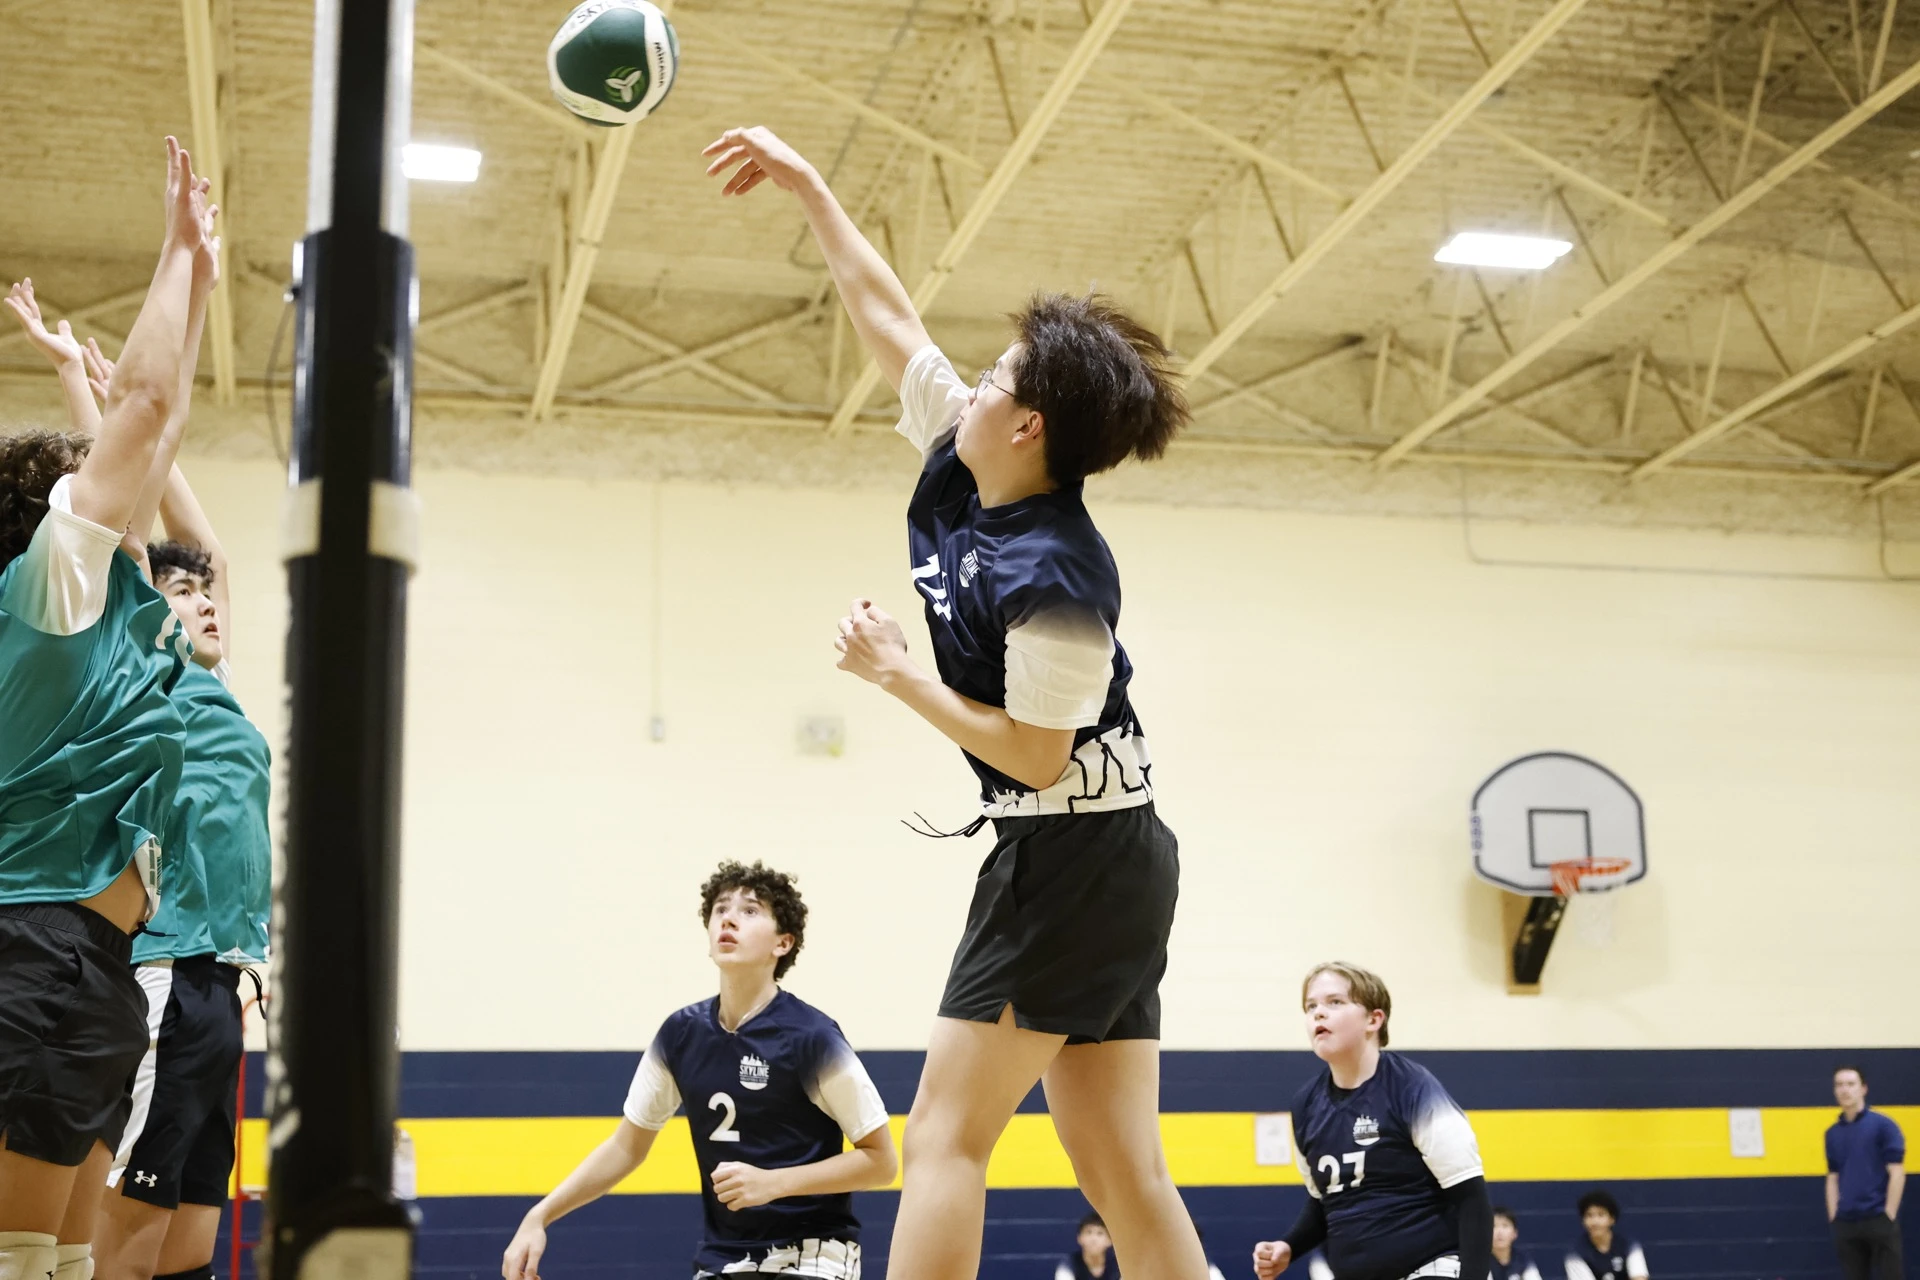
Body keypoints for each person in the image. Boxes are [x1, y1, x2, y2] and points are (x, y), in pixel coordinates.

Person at [703, 125, 1202, 1280]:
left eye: (997, 377)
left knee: (943, 1137)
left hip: (1070, 853)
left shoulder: (1060, 574)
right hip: (1100, 854)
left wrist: (896, 674)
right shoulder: (962, 459)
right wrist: (811, 186)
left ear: (1027, 425)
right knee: (1121, 1167)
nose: (970, 378)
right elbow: (887, 320)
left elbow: (1034, 757)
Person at [0, 137, 215, 1280]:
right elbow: (140, 406)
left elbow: (154, 430)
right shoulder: (42, 595)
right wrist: (175, 257)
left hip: (94, 960)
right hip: (30, 946)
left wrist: (202, 290)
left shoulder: (99, 619)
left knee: (61, 1267)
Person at [502, 862, 896, 1280]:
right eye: (720, 909)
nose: (728, 918)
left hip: (814, 1258)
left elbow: (881, 1161)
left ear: (783, 943)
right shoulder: (680, 1034)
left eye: (750, 910)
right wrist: (539, 1216)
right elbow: (625, 1148)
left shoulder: (812, 1037)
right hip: (723, 1260)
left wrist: (773, 1183)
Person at [1251, 962, 1493, 1280]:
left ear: (1373, 1019)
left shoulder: (1413, 1088)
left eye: (1334, 1002)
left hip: (1436, 1266)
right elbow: (1326, 1201)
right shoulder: (1305, 1105)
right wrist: (1290, 1246)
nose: (1318, 1014)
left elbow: (1472, 1200)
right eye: (1311, 1006)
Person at [1828, 1064, 1906, 1280]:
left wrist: (1888, 1214)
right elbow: (1833, 1177)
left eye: (1851, 1084)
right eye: (1839, 1085)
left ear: (1863, 1089)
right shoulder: (1832, 1133)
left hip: (1878, 1218)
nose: (1845, 1090)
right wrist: (1834, 1215)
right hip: (1847, 1222)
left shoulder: (1884, 1126)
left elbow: (1897, 1173)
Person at [1562, 1191, 1647, 1280]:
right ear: (1583, 1221)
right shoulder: (1574, 1254)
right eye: (1589, 1215)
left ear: (1612, 1219)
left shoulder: (1629, 1245)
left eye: (1601, 1215)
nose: (1595, 1222)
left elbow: (1639, 1277)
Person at [1055, 1211, 1118, 1280]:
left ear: (1109, 1240)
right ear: (1079, 1238)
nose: (1093, 1239)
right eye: (1089, 1232)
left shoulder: (1119, 1266)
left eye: (1100, 1233)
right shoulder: (1068, 1264)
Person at [1490, 1206, 1540, 1280]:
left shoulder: (1522, 1260)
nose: (1499, 1232)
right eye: (1494, 1226)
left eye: (1505, 1226)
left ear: (1515, 1233)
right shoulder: (1478, 1261)